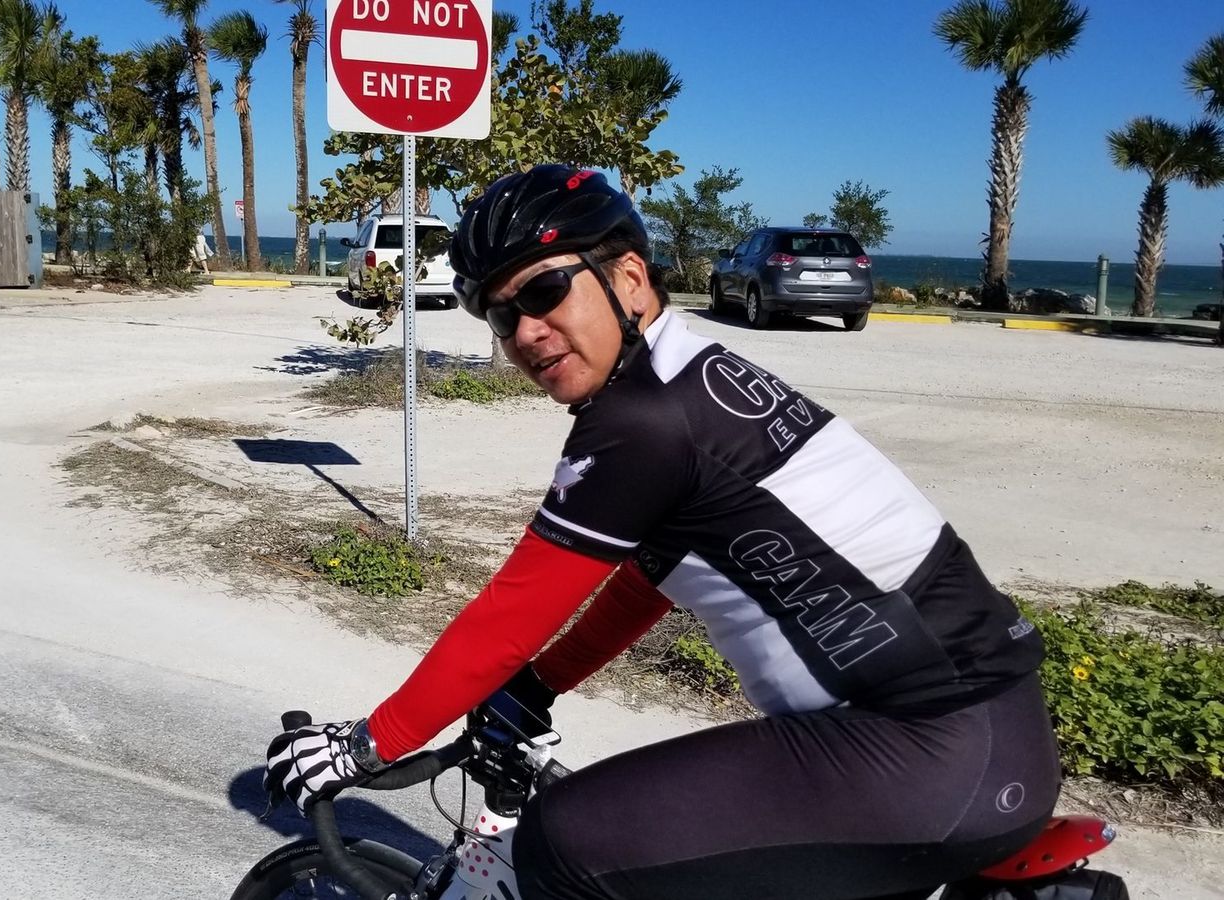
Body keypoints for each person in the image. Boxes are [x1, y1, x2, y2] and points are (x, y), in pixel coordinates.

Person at [264, 165, 1061, 900]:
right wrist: (539, 685)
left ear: (630, 278)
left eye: (544, 290)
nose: (525, 331)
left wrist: (363, 745)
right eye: (501, 314)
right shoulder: (687, 377)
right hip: (975, 739)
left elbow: (510, 618)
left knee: (565, 839)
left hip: (928, 751)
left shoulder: (642, 419)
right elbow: (655, 577)